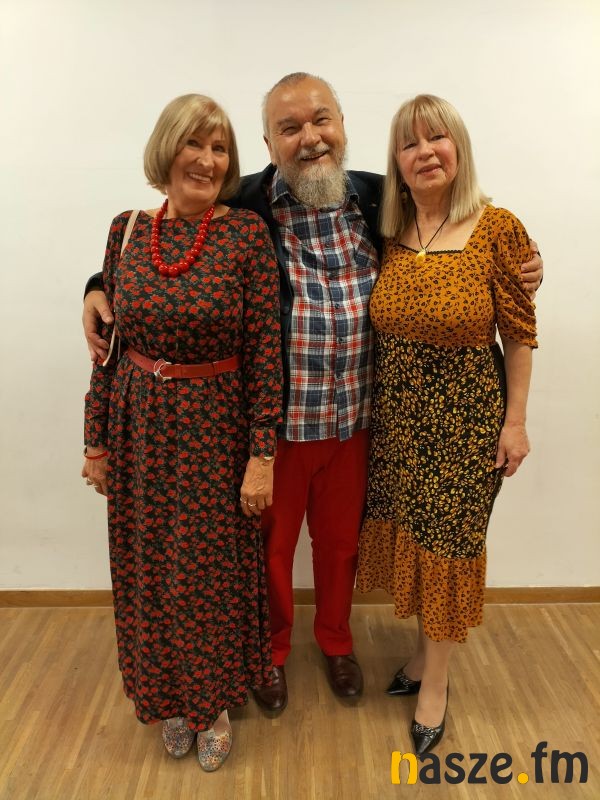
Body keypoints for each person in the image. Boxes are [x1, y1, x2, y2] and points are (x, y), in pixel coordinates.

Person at [82, 74, 544, 715]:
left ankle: (336, 641)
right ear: (268, 143)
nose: (310, 138)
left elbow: (458, 229)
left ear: (343, 126)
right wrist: (97, 284)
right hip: (281, 421)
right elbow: (170, 233)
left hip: (360, 414)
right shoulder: (242, 203)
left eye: (321, 120)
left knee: (340, 544)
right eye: (290, 127)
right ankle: (270, 652)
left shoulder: (382, 197)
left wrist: (525, 262)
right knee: (272, 549)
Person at [81, 94, 282, 771]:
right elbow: (109, 347)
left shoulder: (245, 236)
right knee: (149, 570)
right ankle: (169, 696)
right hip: (138, 425)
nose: (206, 159)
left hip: (214, 429)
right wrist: (95, 438)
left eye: (219, 148)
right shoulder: (126, 231)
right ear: (166, 149)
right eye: (194, 143)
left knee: (207, 575)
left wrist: (262, 455)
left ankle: (212, 704)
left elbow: (265, 352)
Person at [356, 94, 537, 756]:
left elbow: (519, 335)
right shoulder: (390, 232)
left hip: (466, 426)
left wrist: (515, 423)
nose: (425, 151)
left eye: (437, 137)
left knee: (450, 550)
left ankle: (435, 684)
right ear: (396, 163)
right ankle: (419, 657)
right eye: (410, 143)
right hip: (398, 424)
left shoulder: (498, 228)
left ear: (459, 147)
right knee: (417, 541)